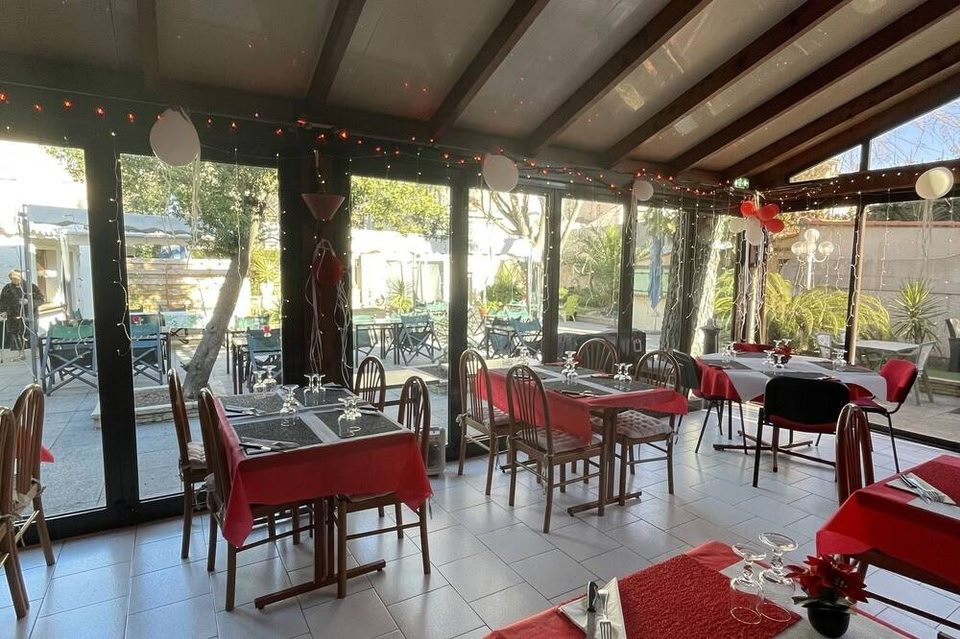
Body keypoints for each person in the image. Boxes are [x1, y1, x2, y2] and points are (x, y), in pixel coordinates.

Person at [0, 269, 45, 358]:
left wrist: (29, 302)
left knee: (32, 333)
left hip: (29, 315)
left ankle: (36, 352)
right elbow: (3, 301)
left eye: (15, 278)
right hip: (13, 316)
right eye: (12, 278)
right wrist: (3, 311)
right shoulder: (7, 288)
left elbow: (41, 299)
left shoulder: (30, 287)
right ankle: (21, 353)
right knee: (16, 334)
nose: (14, 280)